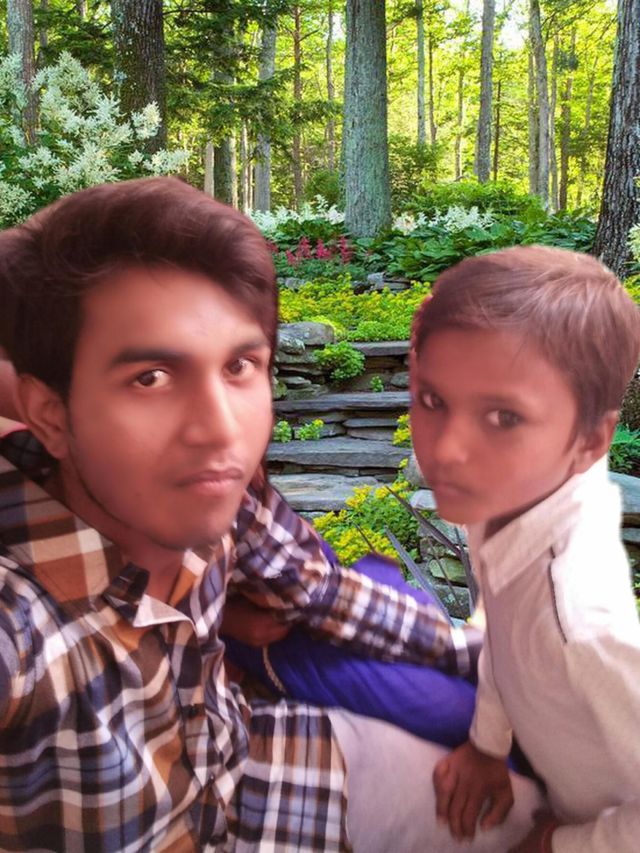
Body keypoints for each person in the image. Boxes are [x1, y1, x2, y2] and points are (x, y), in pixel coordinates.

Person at [0, 177, 544, 852]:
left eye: (239, 366)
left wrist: (497, 660)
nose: (219, 429)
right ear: (49, 412)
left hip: (242, 772)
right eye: (151, 377)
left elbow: (325, 591)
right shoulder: (26, 623)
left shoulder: (219, 506)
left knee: (533, 814)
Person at [406, 246, 640, 852]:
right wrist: (488, 745)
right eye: (432, 400)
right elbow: (507, 628)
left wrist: (561, 844)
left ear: (591, 441)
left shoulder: (582, 626)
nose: (447, 450)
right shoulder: (512, 491)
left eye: (504, 417)